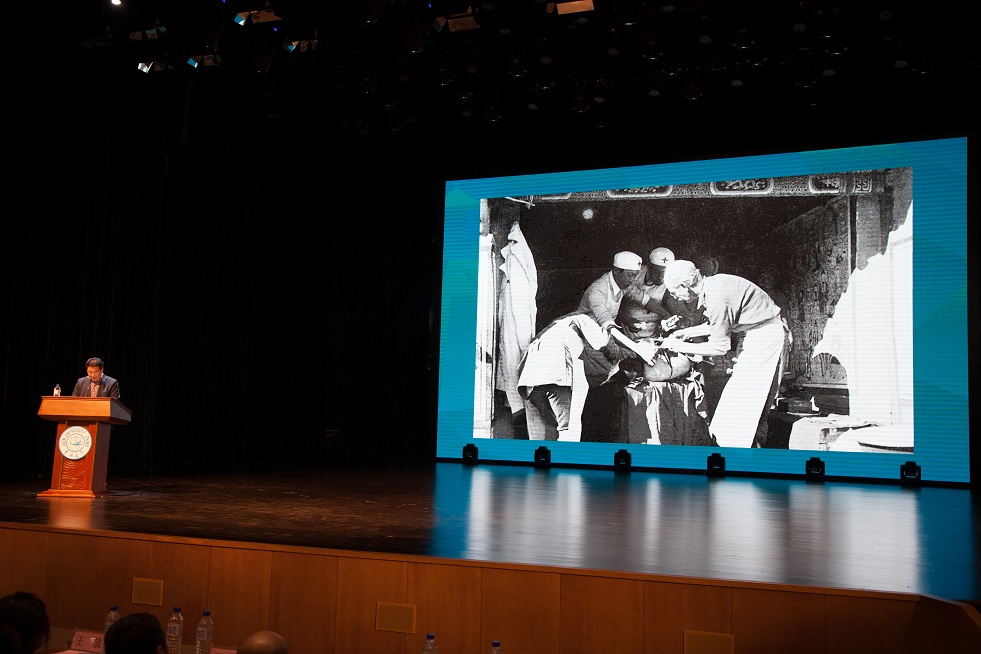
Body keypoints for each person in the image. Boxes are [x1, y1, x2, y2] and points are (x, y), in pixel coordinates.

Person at [659, 260, 788, 448]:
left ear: (685, 285)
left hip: (764, 337)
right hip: (755, 333)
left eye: (674, 292)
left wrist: (679, 346)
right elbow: (722, 324)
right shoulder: (715, 285)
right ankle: (736, 448)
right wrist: (687, 333)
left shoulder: (716, 297)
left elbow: (720, 346)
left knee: (743, 404)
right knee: (739, 405)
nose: (675, 297)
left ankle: (738, 452)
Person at [575, 251, 644, 441]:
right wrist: (637, 349)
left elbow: (645, 300)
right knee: (601, 385)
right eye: (630, 275)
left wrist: (668, 316)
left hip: (603, 340)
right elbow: (608, 325)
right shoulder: (598, 291)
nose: (632, 280)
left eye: (635, 276)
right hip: (586, 342)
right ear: (616, 270)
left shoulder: (622, 285)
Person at [516, 313, 613, 442]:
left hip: (531, 385)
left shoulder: (552, 330)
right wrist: (610, 336)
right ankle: (565, 453)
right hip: (555, 381)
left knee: (548, 426)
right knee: (567, 428)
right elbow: (601, 341)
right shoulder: (581, 320)